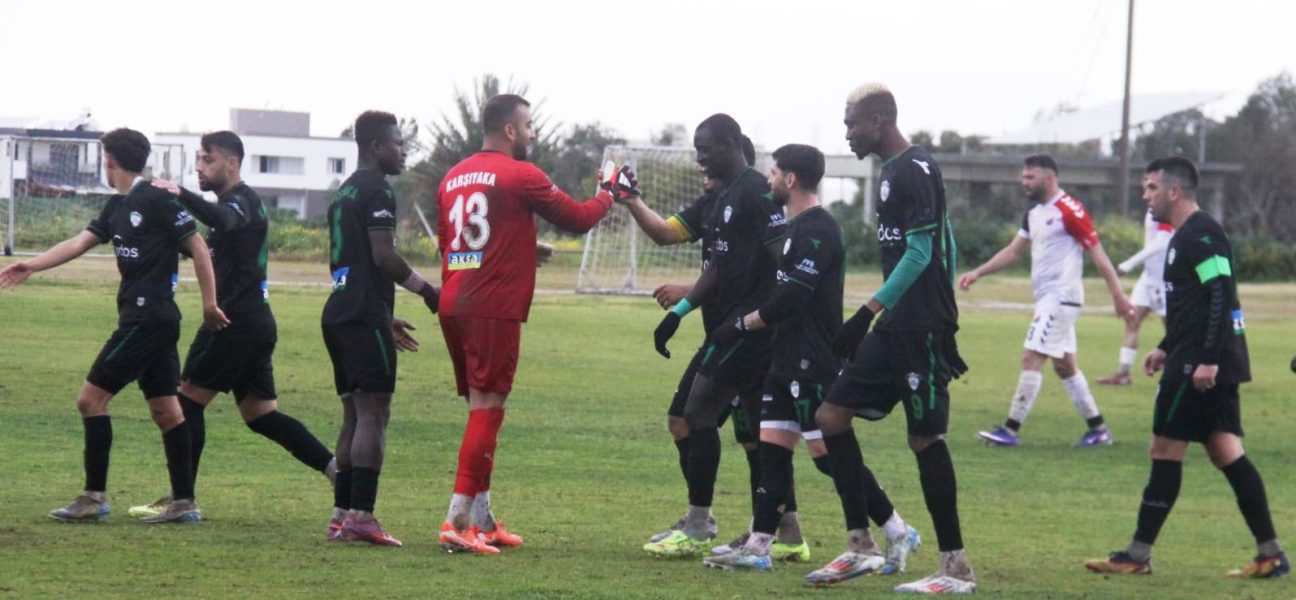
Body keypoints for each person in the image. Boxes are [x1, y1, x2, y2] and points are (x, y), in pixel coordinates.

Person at [701, 144, 921, 576]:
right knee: (772, 452)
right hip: (784, 357)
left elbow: (791, 298)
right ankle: (760, 545)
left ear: (790, 179)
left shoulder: (820, 230)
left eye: (773, 173)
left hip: (813, 360)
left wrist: (741, 324)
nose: (768, 181)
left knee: (825, 455)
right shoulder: (793, 228)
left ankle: (896, 529)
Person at [0, 128, 227, 524]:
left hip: (147, 319)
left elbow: (199, 248)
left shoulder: (156, 198)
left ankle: (94, 498)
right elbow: (78, 243)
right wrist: (31, 265)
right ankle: (184, 502)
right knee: (166, 411)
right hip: (150, 320)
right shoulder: (116, 206)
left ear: (109, 160)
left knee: (90, 401)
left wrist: (210, 304)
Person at [1085, 157, 1288, 579]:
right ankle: (1270, 554)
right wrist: (1164, 346)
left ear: (1174, 191)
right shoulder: (1182, 236)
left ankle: (1137, 556)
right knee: (1225, 450)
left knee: (1164, 449)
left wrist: (1207, 358)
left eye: (1151, 188)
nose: (1145, 196)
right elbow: (1193, 305)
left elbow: (1220, 293)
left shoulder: (1202, 233)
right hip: (1198, 356)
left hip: (1200, 363)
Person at [435, 94, 618, 554]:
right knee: (488, 408)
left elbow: (453, 246)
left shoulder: (452, 176)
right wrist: (609, 193)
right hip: (491, 307)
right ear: (510, 130)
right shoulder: (520, 174)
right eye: (529, 125)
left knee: (480, 409)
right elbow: (579, 219)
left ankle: (482, 520)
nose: (533, 133)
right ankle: (456, 520)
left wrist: (516, 249)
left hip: (455, 301)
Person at [811, 83, 976, 593]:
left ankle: (955, 567)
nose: (847, 133)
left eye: (851, 123)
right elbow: (945, 239)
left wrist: (869, 311)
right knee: (830, 417)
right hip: (897, 323)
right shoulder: (891, 172)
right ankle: (860, 545)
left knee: (924, 438)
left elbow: (924, 252)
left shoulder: (915, 168)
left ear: (878, 120)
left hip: (920, 326)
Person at [128, 131, 337, 519]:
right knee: (261, 414)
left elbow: (223, 220)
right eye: (198, 159)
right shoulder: (232, 204)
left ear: (232, 163)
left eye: (207, 159)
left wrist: (179, 192)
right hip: (254, 322)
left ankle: (182, 498)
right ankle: (336, 470)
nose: (200, 167)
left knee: (186, 401)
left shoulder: (242, 202)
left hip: (232, 321)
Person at [642, 114, 787, 559]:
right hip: (727, 328)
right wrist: (680, 312)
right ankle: (782, 534)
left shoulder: (756, 193)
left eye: (704, 149)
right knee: (754, 433)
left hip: (750, 331)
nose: (699, 158)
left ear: (729, 143)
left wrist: (776, 317)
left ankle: (699, 523)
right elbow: (720, 266)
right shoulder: (723, 197)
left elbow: (784, 260)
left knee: (697, 413)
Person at [961, 155, 1134, 448]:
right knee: (1065, 366)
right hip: (1047, 299)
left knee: (1031, 357)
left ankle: (1010, 430)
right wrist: (978, 272)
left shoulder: (1070, 210)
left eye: (1030, 177)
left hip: (1061, 297)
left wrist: (1118, 295)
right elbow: (1013, 251)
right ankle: (1099, 430)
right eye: (1023, 176)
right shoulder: (1034, 213)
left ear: (1049, 177)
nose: (1024, 182)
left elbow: (1099, 256)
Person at [322, 110, 437, 547]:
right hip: (361, 315)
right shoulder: (378, 189)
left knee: (354, 413)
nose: (403, 150)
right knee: (374, 412)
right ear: (375, 147)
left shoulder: (345, 190)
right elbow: (383, 255)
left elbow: (350, 260)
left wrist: (382, 315)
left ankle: (341, 515)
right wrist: (427, 291)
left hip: (340, 309)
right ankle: (362, 516)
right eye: (397, 143)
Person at [1097, 208, 1174, 385]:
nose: (1146, 194)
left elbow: (1162, 241)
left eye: (1150, 192)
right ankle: (1123, 374)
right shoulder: (1152, 207)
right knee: (1132, 320)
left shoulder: (1165, 207)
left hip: (1164, 279)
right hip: (1148, 277)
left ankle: (1178, 374)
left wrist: (1128, 265)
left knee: (1173, 331)